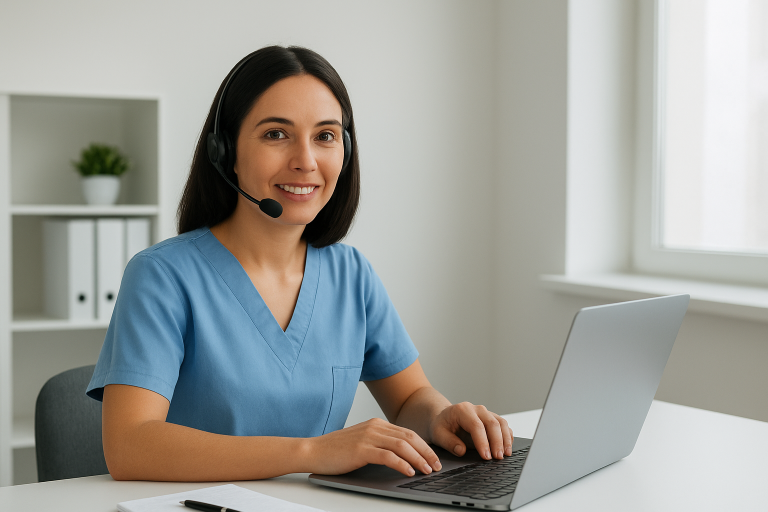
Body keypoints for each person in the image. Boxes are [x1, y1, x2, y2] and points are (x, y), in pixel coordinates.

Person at [86, 45, 513, 482]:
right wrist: (311, 452)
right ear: (225, 151)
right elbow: (129, 446)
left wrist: (440, 415)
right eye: (276, 134)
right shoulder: (162, 276)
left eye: (325, 136)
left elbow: (408, 400)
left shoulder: (351, 275)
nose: (306, 161)